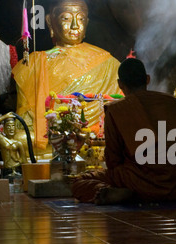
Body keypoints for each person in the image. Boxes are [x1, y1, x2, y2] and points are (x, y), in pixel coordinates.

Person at [71, 58, 176, 205]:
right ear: (147, 79)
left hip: (138, 183)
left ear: (120, 84)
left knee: (78, 181)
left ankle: (106, 192)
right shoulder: (174, 103)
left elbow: (113, 160)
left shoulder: (117, 109)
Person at [12, 0, 121, 158]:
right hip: (50, 140)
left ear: (87, 22)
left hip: (93, 139)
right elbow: (26, 122)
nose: (75, 26)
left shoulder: (109, 64)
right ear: (50, 21)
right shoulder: (33, 64)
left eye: (81, 19)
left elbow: (117, 115)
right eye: (66, 18)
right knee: (20, 140)